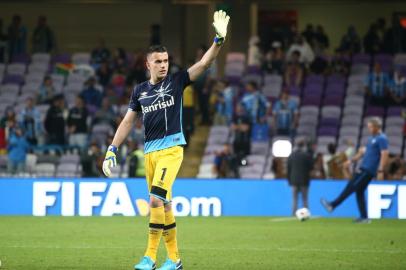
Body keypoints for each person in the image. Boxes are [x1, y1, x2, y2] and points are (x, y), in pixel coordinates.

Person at [101, 10, 230, 270]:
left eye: (166, 60)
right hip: (150, 153)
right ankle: (175, 260)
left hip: (172, 149)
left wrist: (218, 41)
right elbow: (128, 121)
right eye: (158, 61)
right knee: (165, 205)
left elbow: (203, 65)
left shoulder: (177, 81)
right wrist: (112, 149)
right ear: (147, 64)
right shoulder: (139, 91)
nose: (163, 64)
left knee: (155, 200)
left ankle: (149, 256)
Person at [321, 117, 389, 223]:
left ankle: (332, 205)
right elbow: (362, 153)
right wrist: (350, 161)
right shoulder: (371, 139)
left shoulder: (382, 138)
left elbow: (384, 154)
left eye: (371, 127)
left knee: (351, 186)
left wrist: (381, 170)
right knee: (359, 191)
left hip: (368, 169)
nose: (369, 129)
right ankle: (364, 217)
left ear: (377, 127)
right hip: (364, 167)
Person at [287, 140, 313, 215]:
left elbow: (288, 169)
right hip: (304, 180)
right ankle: (305, 214)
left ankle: (293, 214)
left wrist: (289, 180)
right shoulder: (306, 155)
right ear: (303, 146)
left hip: (294, 181)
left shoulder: (291, 155)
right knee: (304, 199)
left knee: (294, 199)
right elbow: (311, 167)